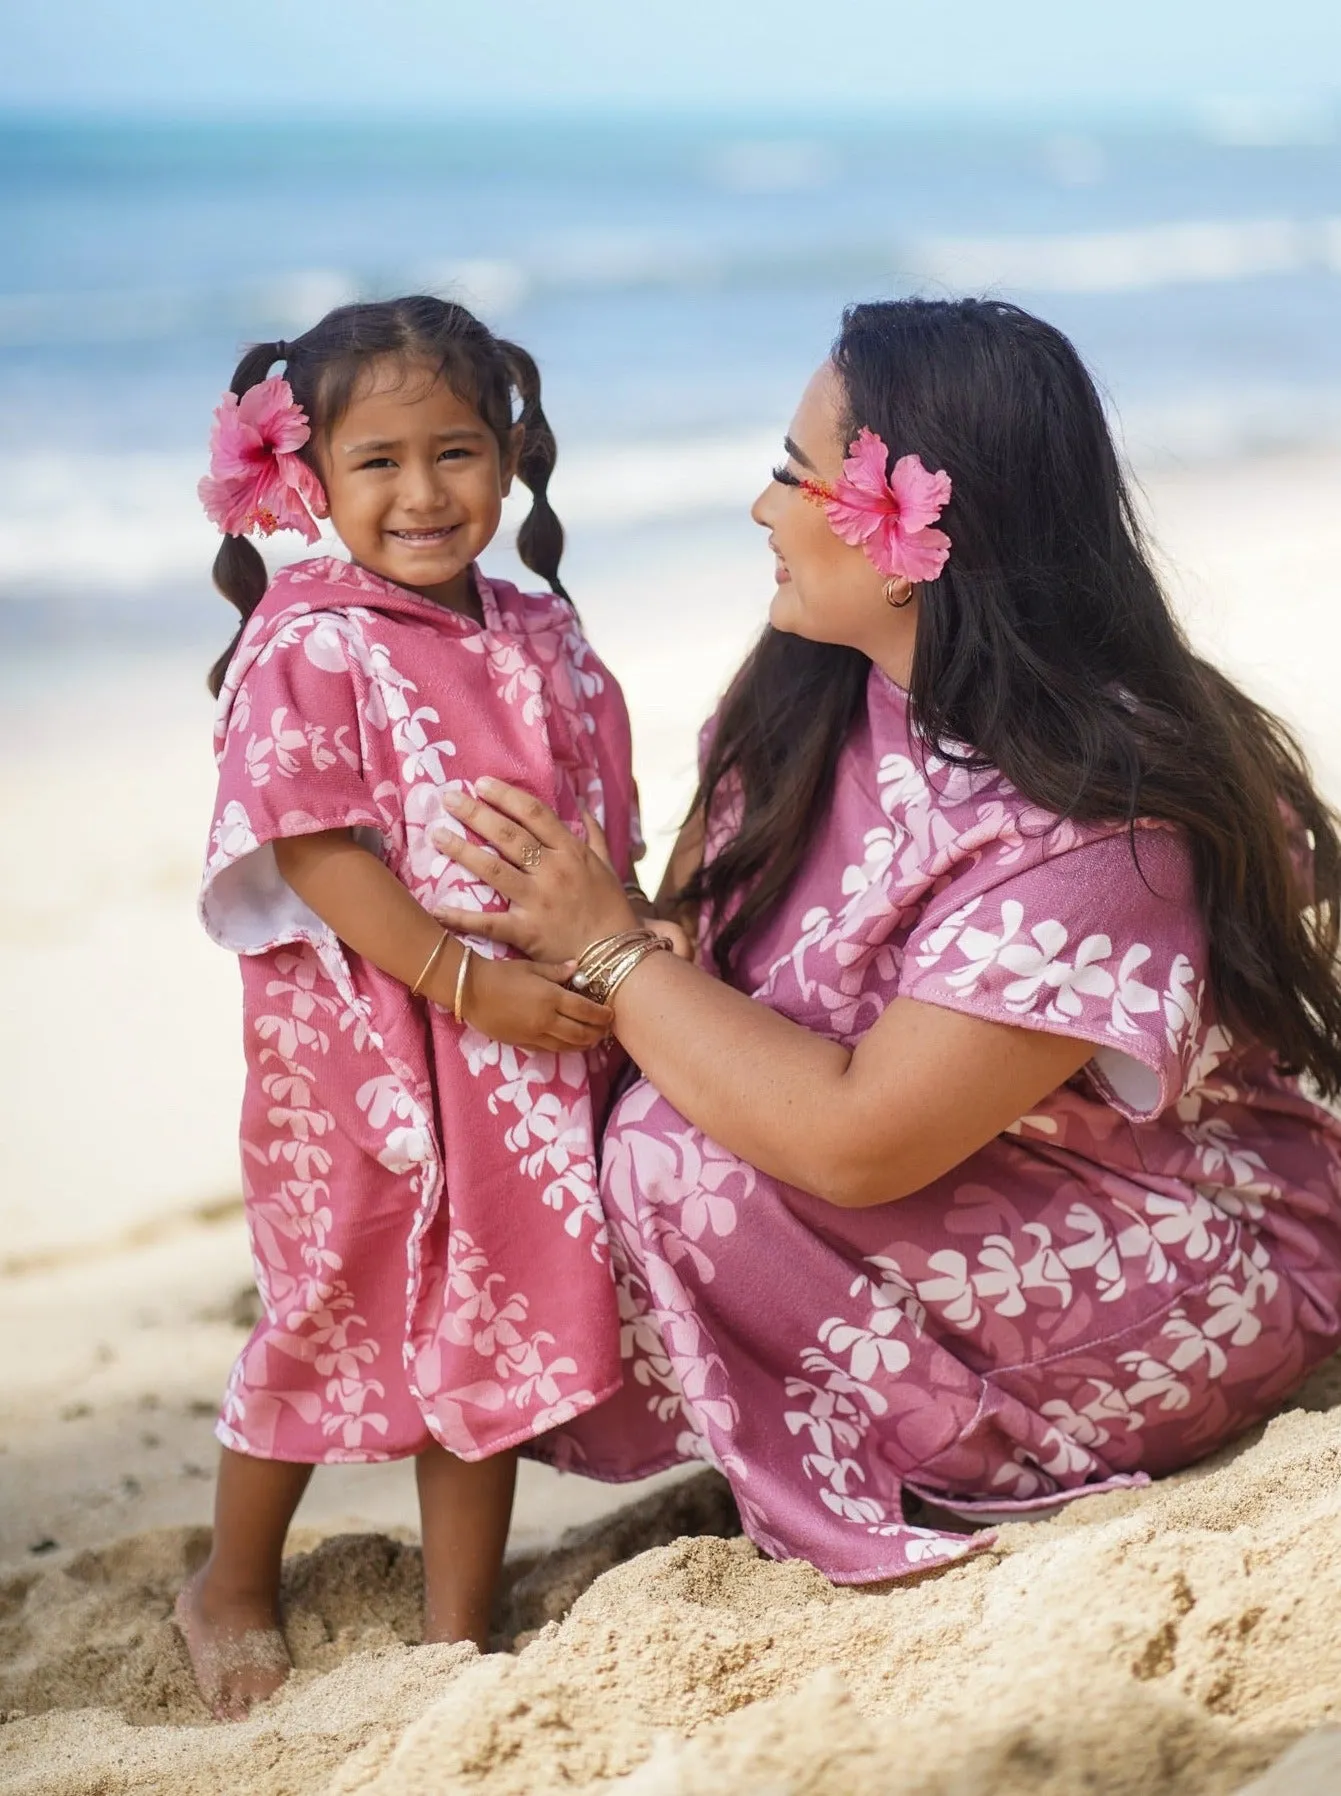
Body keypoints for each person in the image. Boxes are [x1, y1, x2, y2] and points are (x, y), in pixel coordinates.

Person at [431, 297, 1341, 1586]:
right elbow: (699, 923)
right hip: (974, 1207)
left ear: (913, 535)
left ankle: (971, 1454)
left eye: (796, 476)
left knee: (672, 1149)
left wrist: (614, 956)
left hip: (1182, 1255)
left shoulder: (1102, 825)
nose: (763, 509)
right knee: (528, 1076)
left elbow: (862, 1142)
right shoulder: (816, 688)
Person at [180, 295, 656, 1718]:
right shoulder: (312, 636)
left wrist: (608, 952)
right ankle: (235, 1580)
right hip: (364, 1046)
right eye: (377, 461)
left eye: (455, 451)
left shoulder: (541, 631)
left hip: (518, 1044)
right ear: (307, 479)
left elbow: (596, 823)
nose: (423, 493)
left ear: (509, 460)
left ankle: (460, 1631)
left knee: (487, 1303)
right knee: (331, 1295)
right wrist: (464, 984)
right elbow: (313, 845)